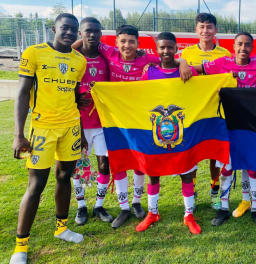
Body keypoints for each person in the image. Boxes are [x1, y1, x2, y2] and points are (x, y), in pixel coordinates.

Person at [72, 24, 189, 228]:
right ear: (115, 43)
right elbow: (82, 42)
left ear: (138, 44)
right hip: (114, 118)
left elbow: (166, 59)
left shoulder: (145, 59)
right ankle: (123, 206)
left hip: (138, 118)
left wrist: (184, 62)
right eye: (123, 41)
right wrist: (79, 37)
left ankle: (136, 203)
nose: (127, 45)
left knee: (139, 160)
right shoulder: (108, 52)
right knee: (118, 160)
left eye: (132, 42)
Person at [9, 13, 87, 264]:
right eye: (65, 28)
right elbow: (22, 94)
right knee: (36, 185)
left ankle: (61, 228)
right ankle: (20, 248)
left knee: (65, 177)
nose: (69, 32)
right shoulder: (34, 53)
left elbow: (75, 96)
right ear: (54, 28)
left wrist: (82, 132)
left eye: (74, 29)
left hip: (71, 128)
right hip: (42, 129)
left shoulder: (79, 60)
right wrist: (19, 134)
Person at [187, 31, 256, 228]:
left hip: (253, 125)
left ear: (252, 48)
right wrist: (183, 64)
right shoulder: (223, 63)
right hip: (227, 125)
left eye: (247, 45)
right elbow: (196, 70)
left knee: (253, 168)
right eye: (239, 44)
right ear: (234, 47)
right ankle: (224, 208)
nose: (243, 48)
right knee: (226, 167)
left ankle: (255, 209)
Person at [137, 32, 201, 234]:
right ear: (156, 50)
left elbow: (202, 92)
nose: (166, 51)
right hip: (156, 131)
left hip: (183, 131)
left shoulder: (188, 72)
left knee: (187, 172)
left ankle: (189, 214)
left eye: (170, 47)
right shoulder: (149, 72)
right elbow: (137, 97)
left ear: (176, 49)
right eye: (162, 47)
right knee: (153, 173)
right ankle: (152, 212)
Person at [180, 13, 232, 210]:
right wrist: (183, 63)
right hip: (193, 111)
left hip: (216, 111)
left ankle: (214, 191)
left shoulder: (225, 54)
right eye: (202, 27)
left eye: (209, 27)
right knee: (191, 152)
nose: (205, 31)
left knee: (214, 153)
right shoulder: (186, 54)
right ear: (196, 30)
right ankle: (191, 190)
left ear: (215, 30)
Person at [73, 17, 113, 226]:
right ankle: (81, 207)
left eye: (96, 31)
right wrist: (75, 97)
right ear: (81, 33)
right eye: (88, 31)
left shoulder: (106, 57)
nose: (92, 35)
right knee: (78, 167)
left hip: (101, 123)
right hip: (77, 123)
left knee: (104, 165)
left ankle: (99, 205)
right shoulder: (73, 56)